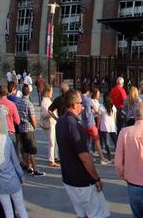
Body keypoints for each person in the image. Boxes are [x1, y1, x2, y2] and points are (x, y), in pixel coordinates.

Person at [56, 90, 110, 218]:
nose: (83, 105)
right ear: (74, 105)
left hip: (68, 178)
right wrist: (96, 178)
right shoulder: (75, 126)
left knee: (81, 213)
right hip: (82, 181)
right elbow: (85, 157)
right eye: (81, 103)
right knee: (97, 213)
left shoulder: (60, 122)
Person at [0, 111, 28, 218]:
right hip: (13, 180)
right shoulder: (6, 138)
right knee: (21, 208)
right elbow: (15, 160)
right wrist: (21, 176)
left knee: (8, 211)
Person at [15, 84, 43, 176]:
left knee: (26, 150)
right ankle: (35, 169)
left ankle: (28, 167)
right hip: (29, 128)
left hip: (21, 128)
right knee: (32, 151)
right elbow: (32, 118)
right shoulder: (29, 104)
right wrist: (35, 126)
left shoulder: (18, 102)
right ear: (29, 92)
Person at [40, 87, 59, 167]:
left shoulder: (47, 100)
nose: (52, 93)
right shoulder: (45, 101)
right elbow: (44, 113)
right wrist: (51, 114)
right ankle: (51, 160)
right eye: (51, 92)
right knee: (51, 142)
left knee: (53, 141)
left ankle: (54, 157)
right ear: (47, 92)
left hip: (52, 123)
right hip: (50, 123)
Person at [99, 95, 117, 163]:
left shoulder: (101, 106)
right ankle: (119, 155)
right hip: (112, 127)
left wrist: (98, 125)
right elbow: (115, 117)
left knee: (107, 143)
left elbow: (99, 118)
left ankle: (109, 157)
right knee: (115, 142)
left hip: (104, 127)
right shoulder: (113, 107)